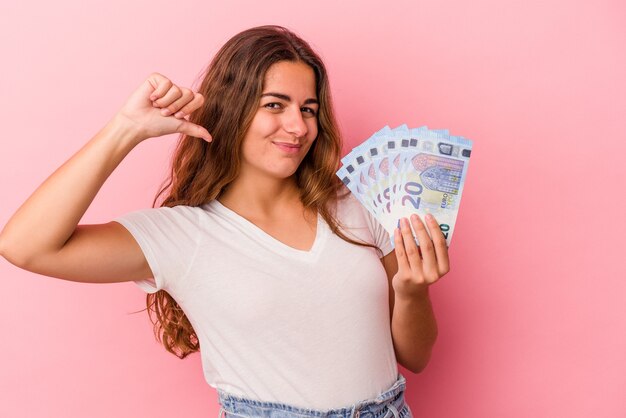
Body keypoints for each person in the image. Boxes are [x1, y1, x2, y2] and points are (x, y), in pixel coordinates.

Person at [0, 25, 449, 417]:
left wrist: (411, 292)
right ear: (233, 108)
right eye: (275, 105)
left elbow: (416, 356)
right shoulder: (183, 235)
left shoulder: (357, 204)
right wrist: (126, 128)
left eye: (308, 109)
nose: (297, 127)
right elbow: (25, 246)